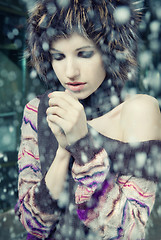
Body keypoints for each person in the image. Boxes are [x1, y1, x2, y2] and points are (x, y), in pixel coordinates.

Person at [15, 0, 161, 239]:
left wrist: (83, 145)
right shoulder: (38, 110)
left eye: (84, 54)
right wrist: (64, 149)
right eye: (58, 56)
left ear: (109, 51)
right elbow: (33, 225)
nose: (70, 71)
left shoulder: (138, 111)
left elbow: (130, 233)